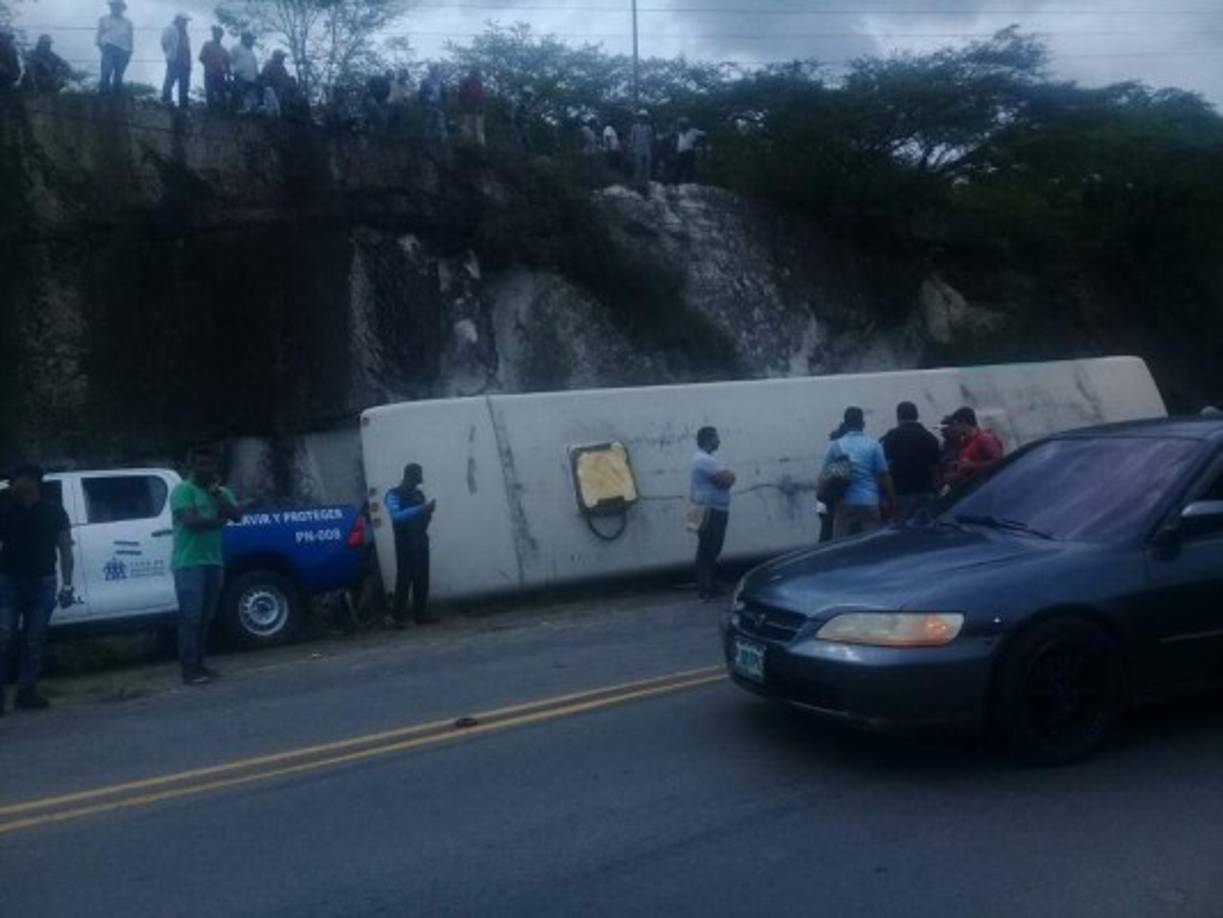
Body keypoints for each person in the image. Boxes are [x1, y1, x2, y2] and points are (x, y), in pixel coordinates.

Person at [0, 465, 74, 715]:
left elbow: (65, 548)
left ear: (32, 483)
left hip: (43, 582)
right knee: (5, 636)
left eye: (16, 481)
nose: (12, 486)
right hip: (9, 581)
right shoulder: (5, 509)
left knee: (35, 639)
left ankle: (27, 691)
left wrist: (67, 584)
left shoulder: (54, 511)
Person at [170, 445, 244, 685]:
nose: (205, 469)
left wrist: (217, 495)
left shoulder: (221, 492)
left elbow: (236, 515)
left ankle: (200, 664)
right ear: (192, 466)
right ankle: (189, 669)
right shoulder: (183, 490)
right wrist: (219, 520)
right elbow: (191, 521)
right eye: (200, 464)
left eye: (210, 464)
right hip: (189, 562)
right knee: (191, 617)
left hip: (213, 560)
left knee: (205, 617)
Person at [822, 406, 896, 539]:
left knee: (843, 545)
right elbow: (884, 476)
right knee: (871, 545)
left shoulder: (835, 446)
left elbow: (825, 476)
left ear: (845, 424)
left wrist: (825, 501)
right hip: (869, 503)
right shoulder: (874, 445)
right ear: (863, 424)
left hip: (845, 504)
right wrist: (892, 500)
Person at [385, 463, 437, 627]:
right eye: (418, 475)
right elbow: (396, 516)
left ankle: (420, 615)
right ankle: (397, 617)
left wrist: (428, 512)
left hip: (420, 540)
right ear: (410, 476)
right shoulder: (393, 494)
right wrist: (422, 509)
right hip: (404, 543)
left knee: (422, 578)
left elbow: (425, 519)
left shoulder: (419, 494)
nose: (421, 478)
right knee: (404, 578)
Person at [690, 426, 736, 601]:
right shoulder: (704, 460)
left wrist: (727, 475)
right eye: (716, 438)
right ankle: (706, 589)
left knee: (708, 548)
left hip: (702, 508)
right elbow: (727, 480)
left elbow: (725, 478)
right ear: (708, 439)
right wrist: (729, 474)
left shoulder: (704, 459)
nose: (719, 441)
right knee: (709, 549)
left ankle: (710, 586)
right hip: (710, 510)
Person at [881, 401, 942, 520]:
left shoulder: (891, 437)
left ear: (898, 417)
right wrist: (936, 490)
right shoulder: (930, 438)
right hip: (926, 493)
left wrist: (890, 497)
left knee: (904, 528)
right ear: (917, 415)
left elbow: (885, 469)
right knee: (927, 526)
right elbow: (935, 468)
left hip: (902, 494)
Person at [943, 407, 1005, 490]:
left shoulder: (984, 438)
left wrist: (971, 465)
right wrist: (957, 471)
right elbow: (969, 468)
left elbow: (999, 462)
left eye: (956, 424)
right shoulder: (965, 443)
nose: (954, 427)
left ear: (964, 422)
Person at [96, 0, 133, 95]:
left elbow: (130, 38)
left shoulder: (128, 22)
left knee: (118, 76)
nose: (115, 8)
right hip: (109, 48)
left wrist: (130, 51)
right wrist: (102, 47)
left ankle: (116, 99)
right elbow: (99, 35)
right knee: (106, 73)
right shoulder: (104, 19)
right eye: (113, 6)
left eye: (118, 6)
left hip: (123, 50)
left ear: (122, 9)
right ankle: (103, 97)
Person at [160, 12, 192, 109]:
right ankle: (166, 101)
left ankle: (183, 106)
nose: (186, 23)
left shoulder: (184, 32)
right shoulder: (170, 29)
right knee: (170, 80)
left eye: (186, 21)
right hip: (174, 60)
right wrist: (170, 54)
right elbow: (164, 42)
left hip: (185, 62)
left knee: (184, 84)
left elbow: (187, 47)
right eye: (184, 20)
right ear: (178, 20)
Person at [198, 25, 230, 111]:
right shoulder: (207, 45)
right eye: (215, 33)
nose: (217, 35)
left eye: (219, 34)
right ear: (213, 34)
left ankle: (222, 111)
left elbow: (227, 65)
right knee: (209, 91)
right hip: (209, 73)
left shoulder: (224, 50)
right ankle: (210, 110)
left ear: (221, 35)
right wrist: (210, 65)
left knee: (221, 93)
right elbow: (201, 58)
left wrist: (227, 76)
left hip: (220, 75)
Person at [229, 31, 259, 113]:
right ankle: (234, 113)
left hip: (251, 80)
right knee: (239, 97)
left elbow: (255, 66)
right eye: (250, 39)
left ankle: (247, 113)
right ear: (244, 38)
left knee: (249, 99)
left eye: (252, 39)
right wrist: (234, 72)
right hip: (240, 78)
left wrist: (256, 76)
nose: (252, 41)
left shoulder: (251, 53)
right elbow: (230, 61)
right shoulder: (236, 48)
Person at [419, 65, 447, 145]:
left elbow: (444, 94)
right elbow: (421, 94)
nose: (434, 72)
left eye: (436, 70)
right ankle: (428, 142)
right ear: (430, 71)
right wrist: (424, 105)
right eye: (433, 70)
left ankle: (443, 142)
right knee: (429, 124)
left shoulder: (440, 81)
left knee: (441, 124)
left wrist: (444, 104)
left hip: (439, 105)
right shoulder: (425, 81)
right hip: (429, 105)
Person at [673, 115, 705, 183]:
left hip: (689, 151)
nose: (681, 125)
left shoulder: (693, 131)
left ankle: (689, 182)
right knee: (679, 167)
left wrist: (698, 143)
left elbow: (704, 134)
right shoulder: (679, 132)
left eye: (682, 124)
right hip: (681, 152)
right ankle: (676, 182)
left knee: (689, 167)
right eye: (680, 124)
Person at [458, 68, 485, 146]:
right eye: (475, 74)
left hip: (475, 109)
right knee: (469, 127)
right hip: (469, 108)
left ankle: (479, 145)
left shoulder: (478, 83)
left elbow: (481, 96)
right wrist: (462, 106)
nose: (476, 76)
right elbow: (461, 95)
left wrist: (481, 106)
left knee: (477, 128)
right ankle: (469, 145)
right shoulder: (466, 83)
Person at [629, 109, 654, 192]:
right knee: (638, 168)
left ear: (646, 118)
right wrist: (632, 149)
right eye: (641, 117)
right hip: (637, 150)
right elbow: (632, 139)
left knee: (647, 168)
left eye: (644, 117)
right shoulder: (634, 127)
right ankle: (637, 185)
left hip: (647, 150)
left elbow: (650, 140)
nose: (642, 119)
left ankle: (646, 186)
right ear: (638, 118)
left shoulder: (649, 128)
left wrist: (650, 148)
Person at [511, 86, 535, 151]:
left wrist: (528, 118)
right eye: (528, 95)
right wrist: (525, 118)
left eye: (530, 96)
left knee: (526, 142)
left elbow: (526, 114)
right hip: (518, 124)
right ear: (525, 95)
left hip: (522, 125)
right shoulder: (521, 103)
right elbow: (516, 114)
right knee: (519, 139)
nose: (529, 97)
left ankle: (524, 152)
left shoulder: (526, 103)